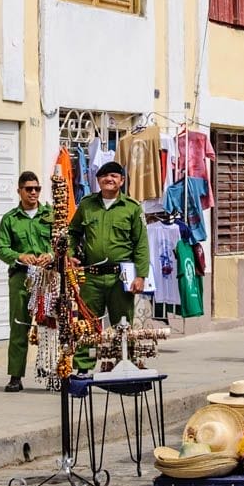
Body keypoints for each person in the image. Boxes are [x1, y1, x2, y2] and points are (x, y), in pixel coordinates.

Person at [68, 161, 150, 376]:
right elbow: (73, 232)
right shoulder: (87, 205)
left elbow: (141, 243)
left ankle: (126, 368)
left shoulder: (131, 208)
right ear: (98, 181)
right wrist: (70, 255)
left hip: (120, 276)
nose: (109, 179)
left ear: (121, 181)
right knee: (87, 323)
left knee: (123, 324)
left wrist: (141, 276)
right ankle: (83, 370)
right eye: (104, 176)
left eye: (114, 176)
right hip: (92, 276)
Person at [0, 171, 54, 392]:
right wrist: (19, 256)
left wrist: (51, 255)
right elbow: (1, 248)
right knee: (19, 325)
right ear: (19, 190)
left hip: (48, 277)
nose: (33, 193)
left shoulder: (50, 215)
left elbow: (64, 242)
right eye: (28, 189)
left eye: (37, 189)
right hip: (22, 277)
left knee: (50, 326)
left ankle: (51, 371)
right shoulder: (11, 219)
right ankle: (15, 376)